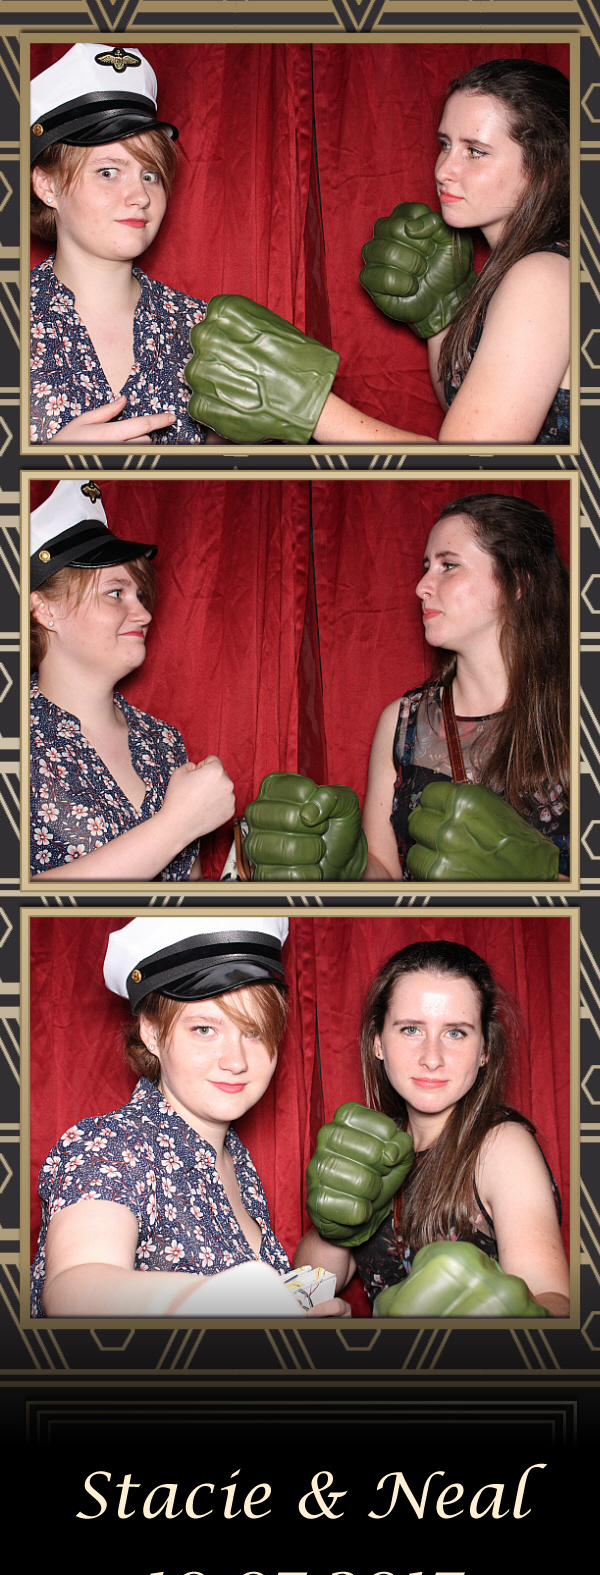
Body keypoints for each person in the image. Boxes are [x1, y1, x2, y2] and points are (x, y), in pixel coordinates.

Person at [186, 59, 570, 447]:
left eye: (474, 151)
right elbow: (472, 421)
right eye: (445, 145)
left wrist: (309, 407)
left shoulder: (541, 276)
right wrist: (440, 320)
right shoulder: (530, 265)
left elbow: (470, 464)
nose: (443, 170)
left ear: (545, 166)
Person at [31, 919, 349, 1319]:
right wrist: (227, 1303)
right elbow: (74, 1288)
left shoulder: (236, 1163)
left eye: (254, 1032)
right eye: (204, 1029)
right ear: (152, 1033)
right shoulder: (112, 1144)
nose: (236, 1061)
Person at [294, 939, 570, 1317]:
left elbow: (555, 1301)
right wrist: (335, 1227)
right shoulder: (377, 1144)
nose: (432, 1058)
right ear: (378, 1042)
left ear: (484, 1050)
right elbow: (306, 1291)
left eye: (455, 1032)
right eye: (411, 1029)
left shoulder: (501, 1145)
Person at [30, 480, 235, 880]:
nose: (143, 614)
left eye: (140, 595)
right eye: (115, 593)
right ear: (45, 609)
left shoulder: (163, 741)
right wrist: (177, 825)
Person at [361, 492, 569, 882]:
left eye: (449, 566)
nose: (422, 586)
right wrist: (343, 864)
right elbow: (385, 872)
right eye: (427, 566)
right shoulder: (401, 722)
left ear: (517, 582)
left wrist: (539, 881)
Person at [30, 43, 213, 445]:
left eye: (150, 175)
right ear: (47, 185)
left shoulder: (205, 329)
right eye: (109, 172)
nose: (141, 197)